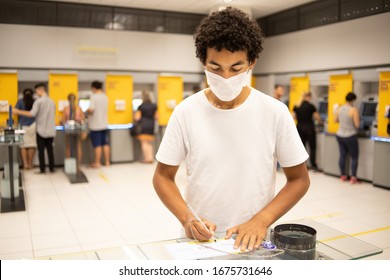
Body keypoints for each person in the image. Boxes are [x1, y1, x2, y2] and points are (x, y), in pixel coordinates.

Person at [152, 7, 310, 252]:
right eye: (215, 68)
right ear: (203, 62)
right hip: (199, 240)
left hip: (253, 240)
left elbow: (299, 179)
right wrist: (187, 218)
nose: (225, 77)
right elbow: (162, 176)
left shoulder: (275, 112)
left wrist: (261, 220)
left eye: (236, 69)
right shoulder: (186, 112)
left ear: (251, 62)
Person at [13, 83, 56, 174]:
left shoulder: (38, 101)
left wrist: (17, 111)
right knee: (50, 150)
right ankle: (52, 168)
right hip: (50, 130)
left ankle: (42, 169)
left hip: (40, 129)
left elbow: (31, 114)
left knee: (40, 150)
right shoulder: (52, 101)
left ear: (41, 90)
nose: (36, 93)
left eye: (37, 91)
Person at [335, 92, 360, 184]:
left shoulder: (339, 109)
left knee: (342, 155)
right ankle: (353, 178)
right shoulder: (353, 110)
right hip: (350, 135)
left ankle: (343, 176)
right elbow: (357, 125)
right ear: (353, 100)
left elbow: (335, 120)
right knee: (354, 157)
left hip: (339, 135)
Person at [293, 92, 322, 171]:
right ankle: (313, 165)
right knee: (312, 147)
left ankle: (303, 165)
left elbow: (293, 117)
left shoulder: (297, 106)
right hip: (309, 129)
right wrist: (321, 123)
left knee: (302, 148)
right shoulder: (311, 106)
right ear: (308, 97)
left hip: (299, 128)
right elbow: (317, 118)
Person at [87, 81, 109, 168]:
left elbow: (91, 109)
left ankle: (97, 162)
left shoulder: (94, 97)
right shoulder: (105, 96)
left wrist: (86, 110)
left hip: (95, 125)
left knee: (97, 145)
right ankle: (107, 162)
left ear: (94, 88)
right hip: (104, 124)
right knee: (105, 144)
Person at [15, 88, 36, 170]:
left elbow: (15, 111)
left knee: (23, 146)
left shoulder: (20, 101)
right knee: (31, 145)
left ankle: (25, 165)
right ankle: (30, 164)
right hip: (33, 125)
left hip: (22, 125)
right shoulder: (35, 101)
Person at [134, 90, 158, 164]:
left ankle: (146, 159)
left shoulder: (141, 106)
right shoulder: (154, 106)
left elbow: (137, 118)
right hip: (151, 125)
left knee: (144, 143)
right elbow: (157, 117)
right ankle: (150, 158)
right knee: (149, 143)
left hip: (143, 126)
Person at [62, 93, 85, 163]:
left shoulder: (66, 109)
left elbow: (63, 120)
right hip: (78, 129)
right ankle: (78, 164)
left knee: (68, 147)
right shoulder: (79, 108)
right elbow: (83, 119)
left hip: (69, 129)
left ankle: (69, 165)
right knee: (78, 147)